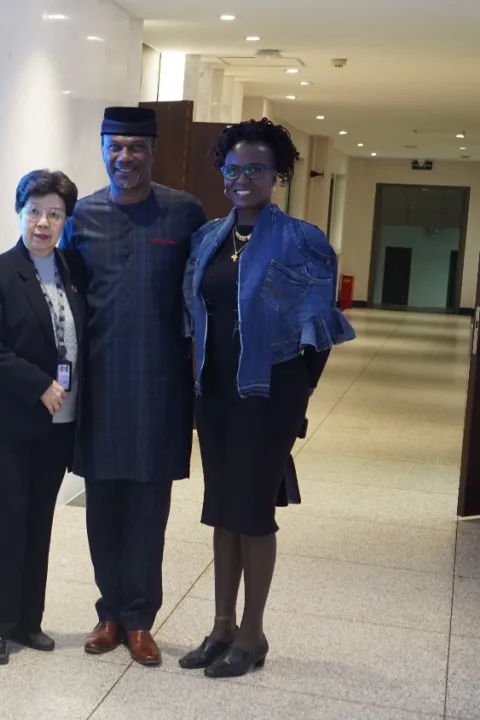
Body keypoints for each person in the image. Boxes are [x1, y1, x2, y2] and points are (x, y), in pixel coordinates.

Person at [179, 118, 355, 678]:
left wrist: (297, 401)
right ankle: (221, 626)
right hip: (215, 394)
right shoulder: (208, 238)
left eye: (255, 169)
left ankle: (252, 634)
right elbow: (193, 318)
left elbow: (319, 335)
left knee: (253, 513)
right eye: (232, 169)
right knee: (222, 510)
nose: (242, 178)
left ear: (277, 174)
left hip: (269, 395)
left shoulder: (304, 241)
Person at [62, 106, 206, 666]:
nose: (125, 158)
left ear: (153, 152)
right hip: (99, 387)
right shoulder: (82, 215)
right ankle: (109, 614)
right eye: (115, 147)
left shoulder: (184, 213)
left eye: (136, 148)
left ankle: (141, 619)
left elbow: (205, 295)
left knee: (149, 508)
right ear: (103, 150)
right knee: (101, 507)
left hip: (161, 386)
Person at [0, 169, 85, 665]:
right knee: (0, 522)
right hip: (5, 421)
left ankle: (27, 620)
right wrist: (37, 383)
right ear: (19, 213)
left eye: (54, 214)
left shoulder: (73, 270)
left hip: (58, 425)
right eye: (34, 211)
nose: (43, 223)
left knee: (38, 522)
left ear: (65, 220)